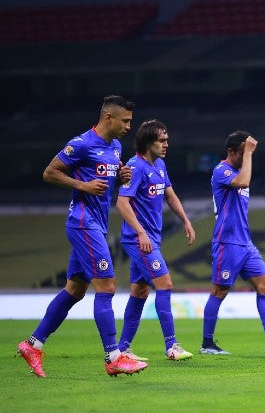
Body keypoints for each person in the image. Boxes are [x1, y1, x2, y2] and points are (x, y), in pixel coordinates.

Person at [16, 95, 147, 377]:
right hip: (83, 223)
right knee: (107, 286)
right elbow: (50, 172)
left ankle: (33, 345)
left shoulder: (114, 147)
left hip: (96, 224)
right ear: (108, 118)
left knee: (75, 289)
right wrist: (82, 185)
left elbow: (106, 180)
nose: (128, 126)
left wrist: (120, 176)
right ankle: (114, 356)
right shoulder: (81, 144)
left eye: (130, 121)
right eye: (125, 121)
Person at [200, 130, 265, 356]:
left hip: (245, 243)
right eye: (242, 153)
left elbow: (244, 178)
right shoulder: (221, 170)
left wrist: (245, 155)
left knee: (264, 286)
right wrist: (249, 153)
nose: (246, 156)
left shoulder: (239, 169)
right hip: (227, 242)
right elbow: (244, 180)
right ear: (231, 152)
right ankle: (207, 344)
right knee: (219, 290)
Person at [115, 119, 196, 362]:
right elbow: (121, 202)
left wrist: (186, 220)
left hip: (152, 239)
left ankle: (122, 349)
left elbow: (170, 195)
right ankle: (172, 345)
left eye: (167, 140)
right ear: (148, 142)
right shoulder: (134, 167)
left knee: (140, 291)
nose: (166, 144)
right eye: (162, 140)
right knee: (165, 284)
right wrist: (140, 232)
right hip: (139, 240)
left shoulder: (159, 165)